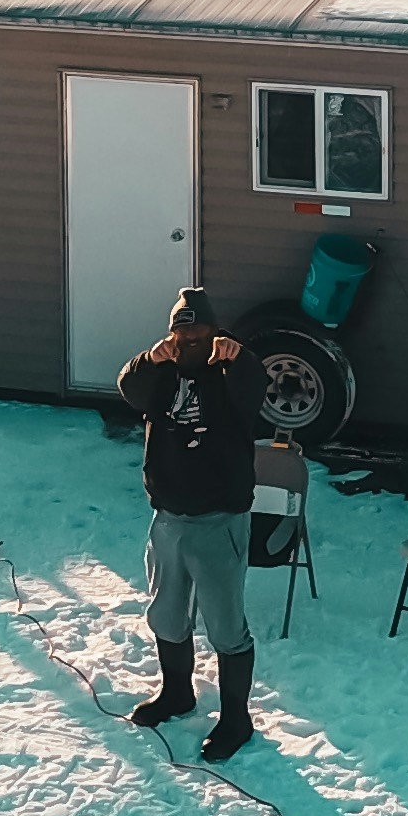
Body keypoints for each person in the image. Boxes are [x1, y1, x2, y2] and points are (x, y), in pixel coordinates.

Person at [117, 288, 259, 759]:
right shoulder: (161, 369)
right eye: (182, 333)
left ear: (214, 332)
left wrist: (239, 359)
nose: (190, 341)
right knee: (167, 615)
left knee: (226, 627)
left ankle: (236, 720)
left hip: (219, 519)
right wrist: (150, 359)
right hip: (168, 516)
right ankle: (177, 693)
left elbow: (255, 392)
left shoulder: (231, 369)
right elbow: (130, 389)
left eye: (199, 332)